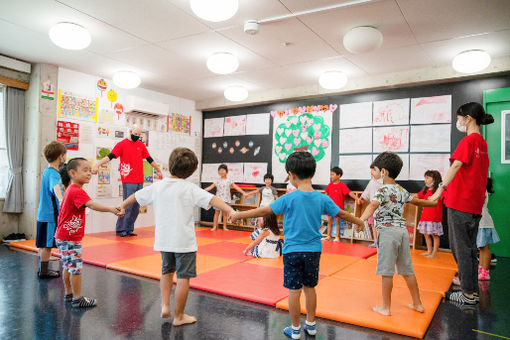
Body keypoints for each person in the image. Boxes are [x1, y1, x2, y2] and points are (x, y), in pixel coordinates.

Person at [230, 151, 363, 339]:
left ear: (291, 175)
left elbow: (264, 210)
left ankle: (294, 329)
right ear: (313, 172)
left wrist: (238, 214)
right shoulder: (322, 198)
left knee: (294, 290)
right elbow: (341, 213)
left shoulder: (288, 198)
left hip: (292, 251)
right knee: (310, 288)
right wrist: (360, 222)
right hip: (313, 251)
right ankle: (311, 325)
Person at [120, 147, 234, 326]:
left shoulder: (158, 186)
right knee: (183, 277)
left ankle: (165, 305)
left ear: (170, 165)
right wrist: (231, 210)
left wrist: (122, 206)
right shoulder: (189, 188)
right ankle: (179, 315)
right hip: (184, 243)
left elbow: (135, 195)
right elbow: (213, 200)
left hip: (164, 241)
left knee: (166, 271)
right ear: (191, 171)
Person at [429, 102, 494, 305]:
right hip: (474, 205)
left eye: (459, 118)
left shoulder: (468, 141)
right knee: (469, 249)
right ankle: (472, 292)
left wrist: (439, 190)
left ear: (468, 119)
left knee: (461, 250)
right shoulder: (482, 143)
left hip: (460, 203)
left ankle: (466, 295)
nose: (458, 122)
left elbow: (456, 164)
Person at [359, 152, 438, 316]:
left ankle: (385, 307)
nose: (375, 174)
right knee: (407, 270)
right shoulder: (401, 190)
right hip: (401, 232)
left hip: (387, 233)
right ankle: (418, 304)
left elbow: (372, 205)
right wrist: (433, 202)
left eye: (376, 170)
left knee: (386, 271)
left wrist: (361, 220)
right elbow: (417, 202)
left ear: (384, 172)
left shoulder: (382, 190)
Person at [54, 158, 122, 308]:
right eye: (84, 170)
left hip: (63, 236)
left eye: (89, 169)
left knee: (67, 266)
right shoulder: (76, 191)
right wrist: (111, 209)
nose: (89, 173)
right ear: (72, 173)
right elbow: (91, 204)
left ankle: (69, 294)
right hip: (69, 237)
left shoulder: (71, 189)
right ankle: (77, 299)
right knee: (76, 268)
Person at [92, 124, 161, 237]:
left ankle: (129, 229)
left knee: (136, 207)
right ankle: (121, 229)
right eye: (135, 134)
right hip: (128, 179)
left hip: (139, 179)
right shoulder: (122, 144)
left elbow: (149, 159)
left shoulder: (140, 145)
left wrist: (159, 170)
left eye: (139, 135)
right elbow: (110, 156)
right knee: (126, 205)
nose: (137, 137)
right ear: (130, 131)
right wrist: (97, 164)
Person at [36, 141, 67, 278]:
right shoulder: (54, 173)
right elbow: (55, 188)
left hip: (43, 213)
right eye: (64, 155)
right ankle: (44, 271)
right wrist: (62, 200)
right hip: (49, 215)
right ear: (60, 156)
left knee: (44, 244)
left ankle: (42, 268)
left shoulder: (47, 171)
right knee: (47, 245)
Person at [204, 164, 246, 231]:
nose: (221, 172)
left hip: (226, 199)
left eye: (223, 170)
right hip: (218, 200)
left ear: (226, 171)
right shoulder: (217, 180)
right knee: (216, 213)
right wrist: (202, 191)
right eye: (220, 170)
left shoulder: (229, 180)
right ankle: (214, 226)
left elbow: (236, 187)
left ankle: (224, 226)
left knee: (225, 214)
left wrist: (243, 192)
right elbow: (210, 187)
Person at [323, 167, 357, 241]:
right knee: (329, 221)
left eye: (332, 174)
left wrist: (357, 198)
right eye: (330, 174)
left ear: (338, 175)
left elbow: (349, 192)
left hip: (338, 208)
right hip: (330, 207)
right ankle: (328, 236)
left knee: (337, 222)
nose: (331, 176)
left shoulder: (342, 185)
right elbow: (325, 194)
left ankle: (337, 237)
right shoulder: (330, 185)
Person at [417, 170, 445, 258]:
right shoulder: (425, 190)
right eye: (425, 178)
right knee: (426, 234)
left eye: (427, 178)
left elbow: (442, 198)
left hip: (434, 218)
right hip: (425, 217)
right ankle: (429, 251)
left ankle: (434, 253)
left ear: (434, 179)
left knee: (435, 235)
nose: (425, 180)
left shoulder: (439, 191)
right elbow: (417, 196)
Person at [477, 178, 500, 281]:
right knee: (482, 248)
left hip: (484, 223)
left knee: (485, 248)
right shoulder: (482, 190)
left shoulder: (482, 191)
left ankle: (485, 272)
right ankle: (481, 268)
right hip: (481, 223)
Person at [357, 162, 383, 247]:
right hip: (372, 209)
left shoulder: (384, 182)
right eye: (371, 170)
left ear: (382, 172)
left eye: (374, 170)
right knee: (373, 225)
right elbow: (366, 191)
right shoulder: (372, 181)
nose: (371, 172)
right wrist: (361, 198)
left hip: (381, 208)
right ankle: (376, 241)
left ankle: (381, 242)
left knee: (381, 226)